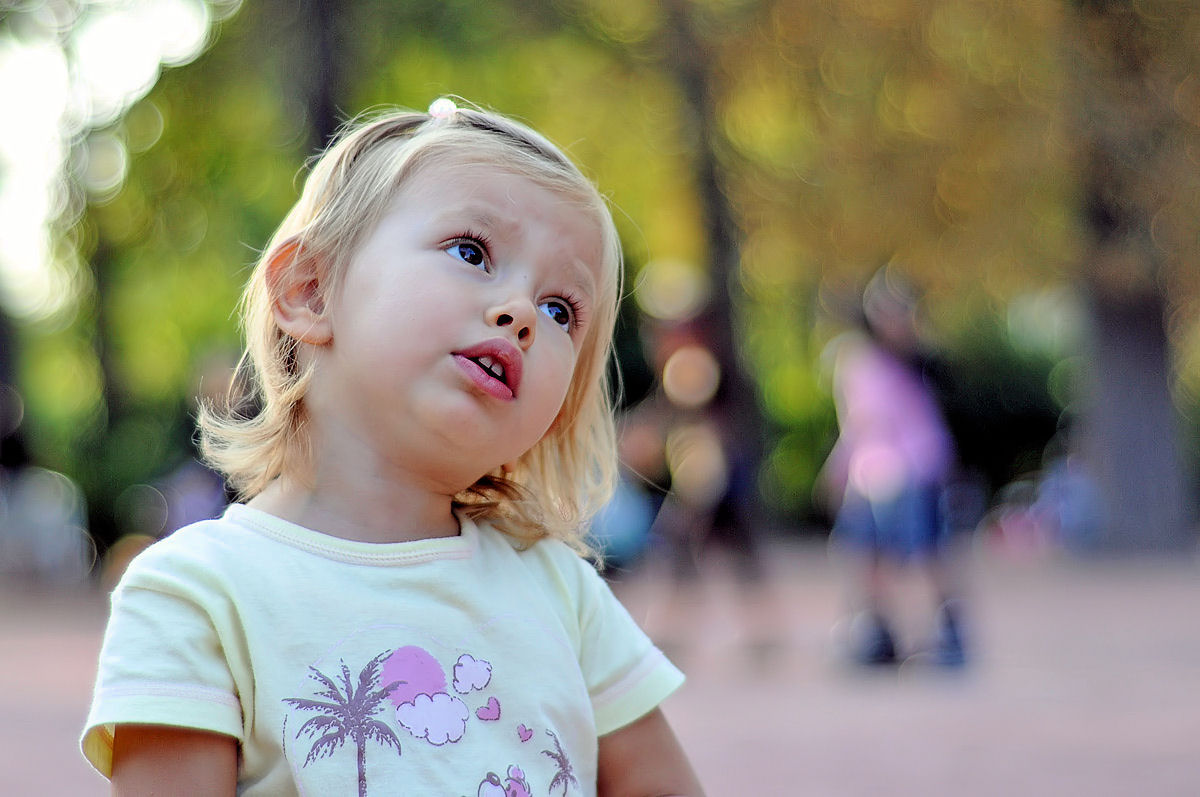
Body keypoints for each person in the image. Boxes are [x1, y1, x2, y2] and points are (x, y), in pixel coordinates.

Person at [82, 98, 704, 796]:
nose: (523, 312)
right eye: (472, 252)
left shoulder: (564, 593)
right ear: (310, 290)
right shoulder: (197, 595)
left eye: (562, 309)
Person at [817, 269, 969, 668]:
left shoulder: (918, 362)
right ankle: (878, 631)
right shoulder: (858, 361)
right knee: (869, 556)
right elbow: (857, 422)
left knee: (924, 553)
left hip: (914, 470)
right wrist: (840, 468)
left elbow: (922, 420)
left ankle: (944, 631)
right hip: (873, 473)